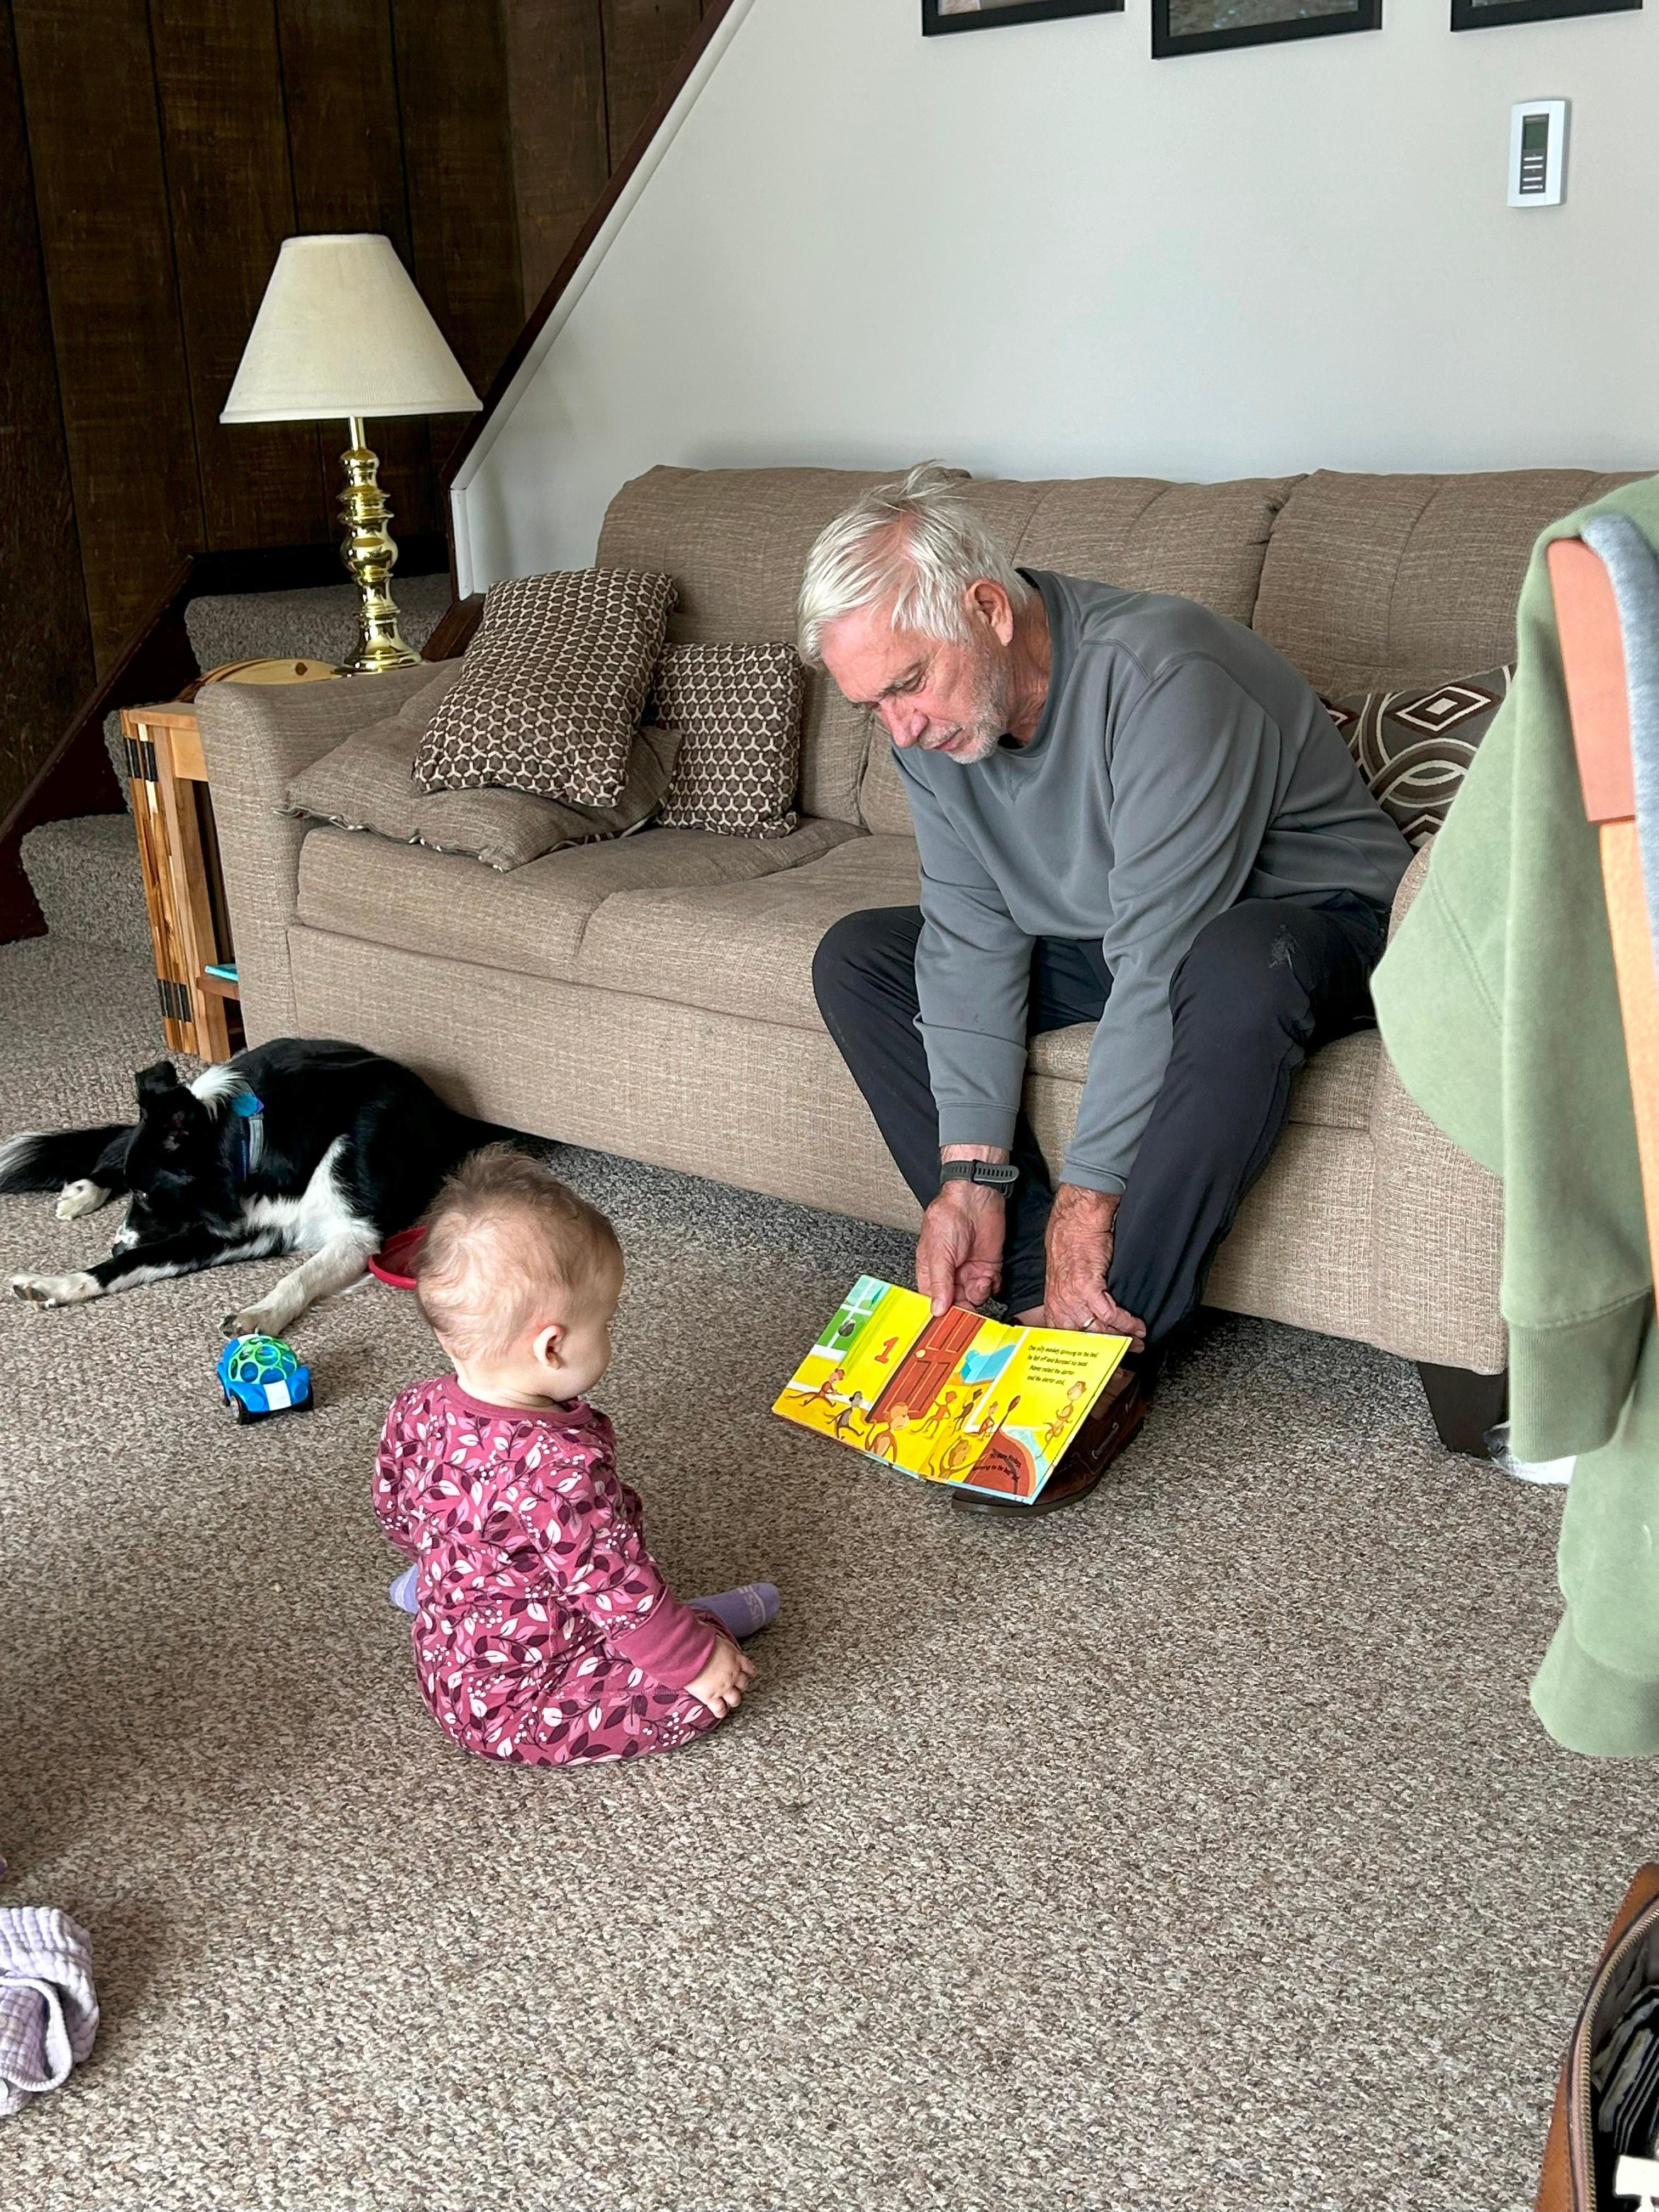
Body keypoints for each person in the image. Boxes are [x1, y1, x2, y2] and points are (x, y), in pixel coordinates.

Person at [803, 465, 1413, 1511]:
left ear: (986, 608)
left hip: (1304, 927)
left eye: (905, 683)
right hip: (1111, 924)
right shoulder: (932, 727)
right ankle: (1037, 1298)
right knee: (861, 955)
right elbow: (969, 931)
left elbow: (1162, 952)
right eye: (871, 705)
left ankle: (1106, 1343)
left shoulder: (1166, 674)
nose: (897, 728)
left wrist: (1089, 1197)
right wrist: (970, 1179)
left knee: (1229, 965)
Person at [373, 1146, 776, 1766]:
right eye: (606, 1321)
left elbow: (397, 1509)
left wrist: (446, 1565)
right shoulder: (557, 1472)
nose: (610, 1334)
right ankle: (699, 1628)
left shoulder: (419, 1404)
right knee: (704, 1691)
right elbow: (617, 1585)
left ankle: (432, 1587)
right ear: (552, 1348)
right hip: (519, 1702)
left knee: (459, 1552)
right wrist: (697, 1663)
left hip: (446, 1659)